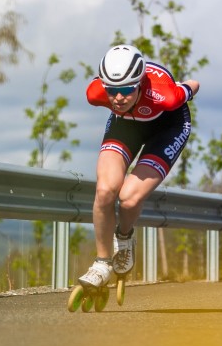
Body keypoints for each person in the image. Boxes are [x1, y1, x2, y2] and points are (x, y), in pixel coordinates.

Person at [74, 44, 200, 297]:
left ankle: (125, 237)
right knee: (106, 189)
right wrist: (120, 97)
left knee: (129, 198)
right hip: (127, 125)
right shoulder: (96, 93)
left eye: (126, 90)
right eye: (112, 90)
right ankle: (101, 263)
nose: (118, 97)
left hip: (168, 127)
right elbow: (116, 97)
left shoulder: (165, 95)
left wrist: (183, 89)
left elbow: (194, 84)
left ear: (140, 83)